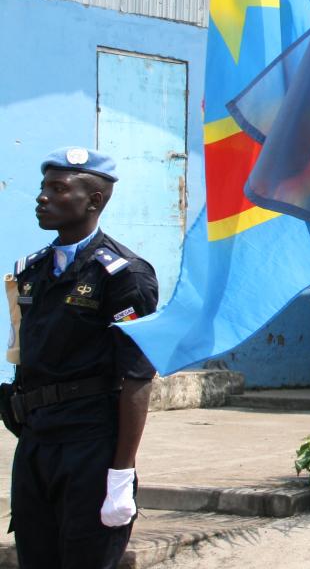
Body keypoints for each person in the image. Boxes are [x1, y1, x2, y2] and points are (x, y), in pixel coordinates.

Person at [4, 148, 157, 567]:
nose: (43, 197)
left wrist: (121, 474)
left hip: (89, 444)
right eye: (43, 187)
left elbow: (137, 376)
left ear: (94, 200)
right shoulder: (31, 271)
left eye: (58, 189)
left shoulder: (124, 275)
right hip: (36, 443)